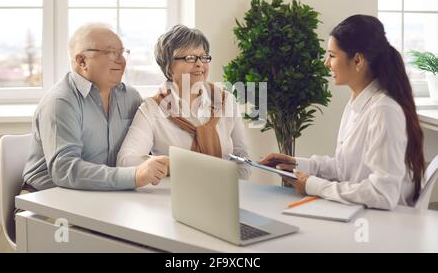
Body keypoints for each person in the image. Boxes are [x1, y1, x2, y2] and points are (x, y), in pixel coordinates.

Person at [260, 15, 425, 210]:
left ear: (357, 60)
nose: (326, 64)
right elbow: (344, 167)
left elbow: (382, 194)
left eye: (332, 55)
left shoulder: (383, 110)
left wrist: (312, 185)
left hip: (383, 224)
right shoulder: (356, 103)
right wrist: (296, 164)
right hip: (360, 214)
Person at [22, 23, 169, 193]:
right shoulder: (61, 102)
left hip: (101, 194)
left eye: (122, 53)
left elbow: (139, 148)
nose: (121, 60)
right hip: (45, 198)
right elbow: (64, 170)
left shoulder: (130, 97)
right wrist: (134, 176)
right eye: (111, 53)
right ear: (82, 61)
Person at [117, 25, 250, 179]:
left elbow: (243, 159)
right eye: (190, 58)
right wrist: (171, 165)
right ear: (169, 68)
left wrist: (233, 190)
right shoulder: (152, 108)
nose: (200, 63)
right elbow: (125, 160)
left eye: (204, 57)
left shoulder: (226, 101)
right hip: (171, 198)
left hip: (226, 195)